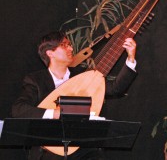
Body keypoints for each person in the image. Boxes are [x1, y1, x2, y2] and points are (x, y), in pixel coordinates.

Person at [11, 31, 138, 160]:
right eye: (64, 45)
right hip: (49, 149)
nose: (71, 48)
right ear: (50, 53)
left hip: (82, 148)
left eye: (70, 44)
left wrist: (131, 58)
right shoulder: (35, 80)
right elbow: (19, 109)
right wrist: (56, 113)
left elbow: (115, 88)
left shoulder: (82, 75)